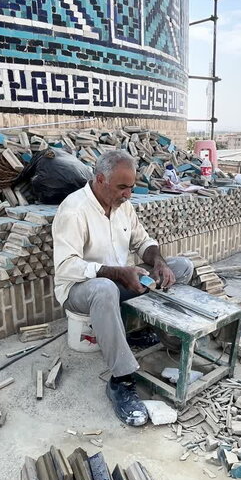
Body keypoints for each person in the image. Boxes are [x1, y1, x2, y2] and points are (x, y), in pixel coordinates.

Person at [52, 150, 193, 427]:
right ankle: (121, 379)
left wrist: (160, 263)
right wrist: (117, 272)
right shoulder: (74, 210)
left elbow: (143, 242)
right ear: (101, 179)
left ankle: (153, 331)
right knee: (105, 289)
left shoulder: (122, 205)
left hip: (120, 280)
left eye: (131, 187)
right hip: (80, 290)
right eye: (122, 187)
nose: (128, 194)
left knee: (182, 267)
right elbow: (66, 266)